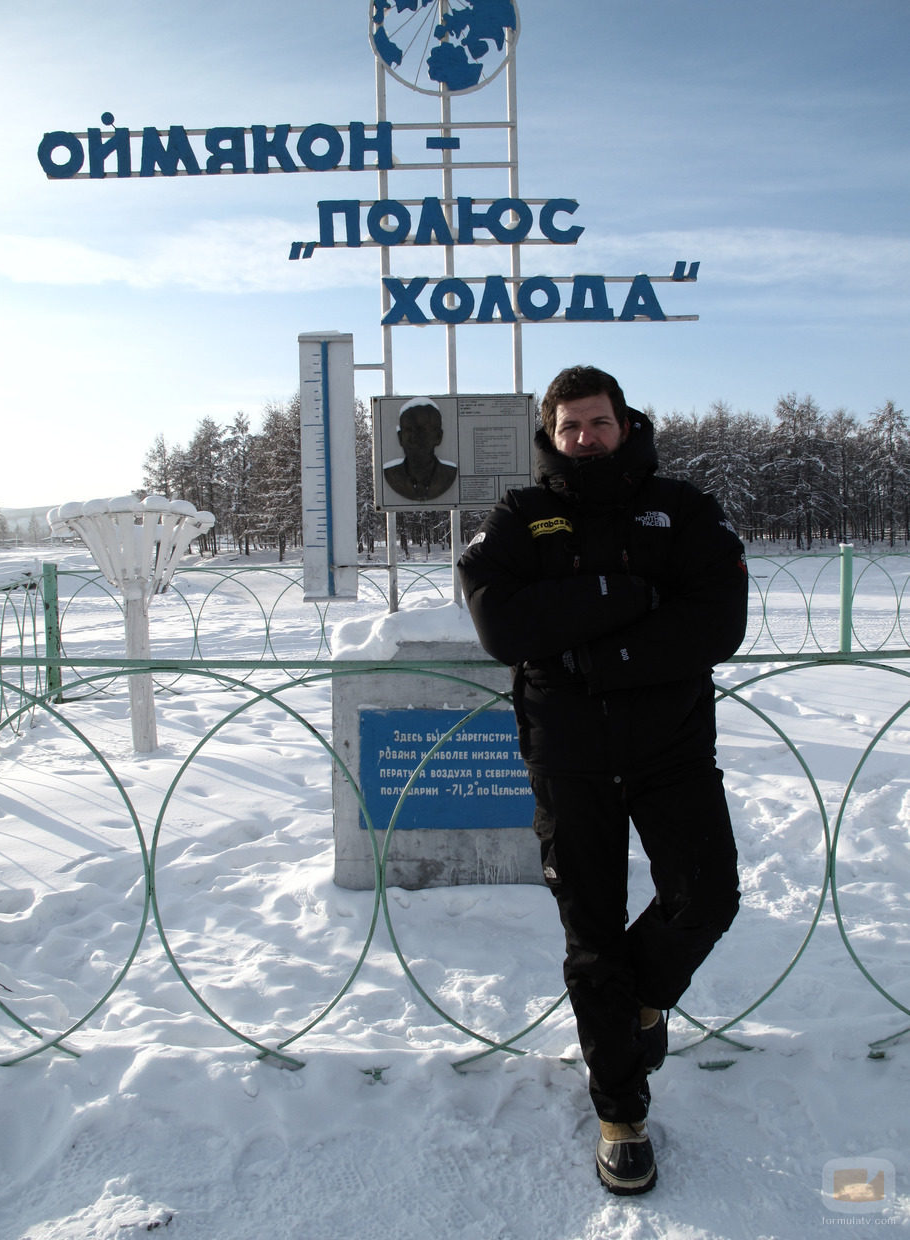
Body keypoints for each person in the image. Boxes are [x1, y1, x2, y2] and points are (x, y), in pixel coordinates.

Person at [457, 365, 747, 1195]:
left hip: (672, 749)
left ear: (626, 424)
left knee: (707, 895)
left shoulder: (682, 508)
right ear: (551, 434)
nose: (585, 437)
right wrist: (629, 594)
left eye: (599, 422)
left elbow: (717, 620)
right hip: (569, 755)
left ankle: (641, 1001)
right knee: (593, 935)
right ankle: (621, 1114)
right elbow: (501, 622)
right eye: (570, 426)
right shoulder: (520, 516)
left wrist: (597, 651)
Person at [383, 398, 458, 501]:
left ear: (438, 437)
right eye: (409, 430)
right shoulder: (391, 475)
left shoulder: (449, 474)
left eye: (422, 430)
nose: (414, 437)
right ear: (400, 437)